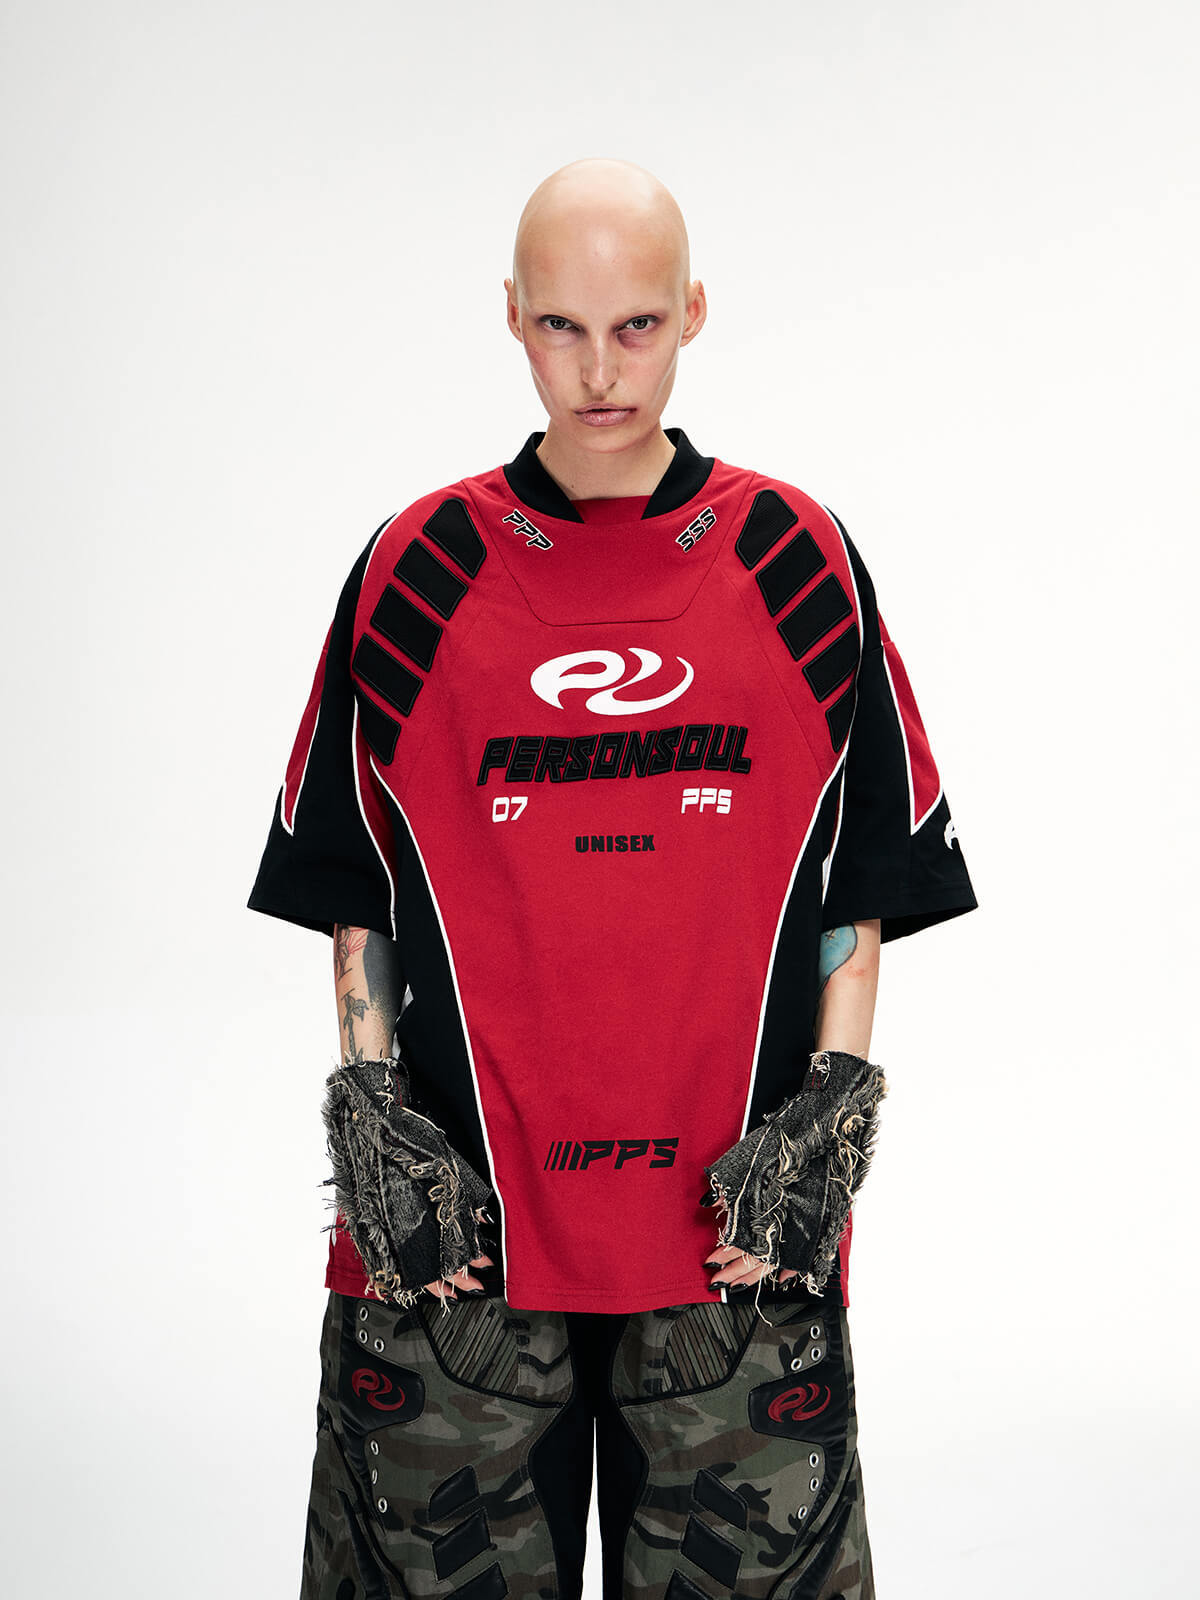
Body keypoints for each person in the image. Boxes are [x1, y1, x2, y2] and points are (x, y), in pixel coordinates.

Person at [247, 156, 978, 1600]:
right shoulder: (417, 568)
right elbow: (355, 885)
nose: (600, 371)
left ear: (693, 311)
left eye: (636, 326)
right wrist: (375, 1115)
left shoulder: (794, 558)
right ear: (512, 317)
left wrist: (830, 1115)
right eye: (563, 328)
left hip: (734, 1261)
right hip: (456, 1256)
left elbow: (862, 876)